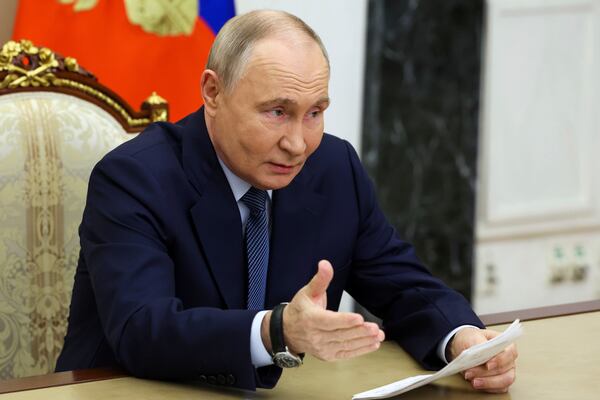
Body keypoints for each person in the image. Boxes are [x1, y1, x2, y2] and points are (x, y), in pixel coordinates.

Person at [56, 10, 517, 393]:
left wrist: (465, 342)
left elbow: (402, 283)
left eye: (315, 113)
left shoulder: (333, 167)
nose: (298, 143)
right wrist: (277, 331)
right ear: (212, 92)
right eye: (277, 112)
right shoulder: (134, 177)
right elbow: (142, 330)